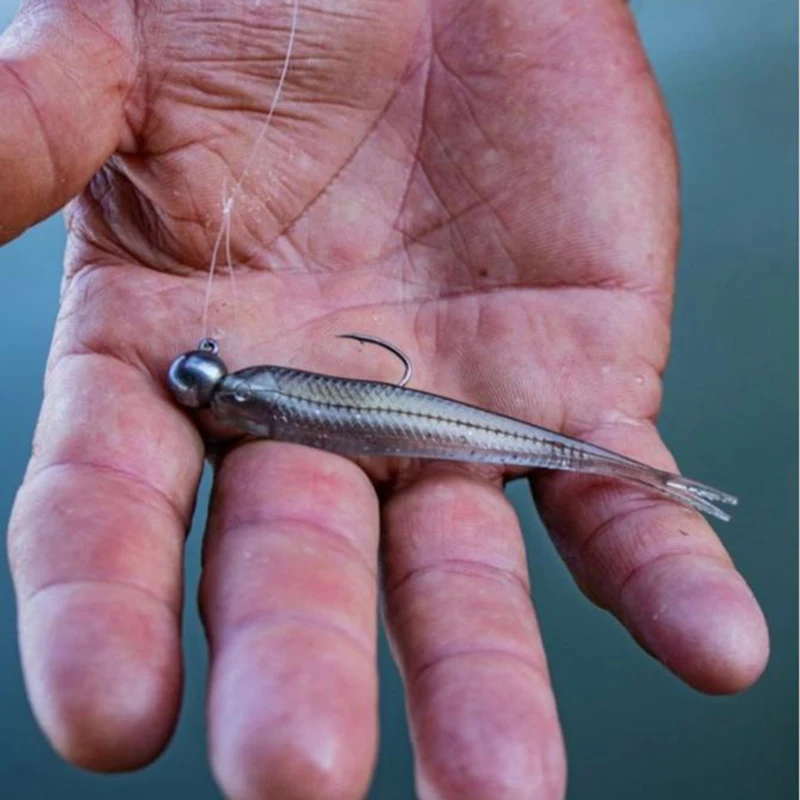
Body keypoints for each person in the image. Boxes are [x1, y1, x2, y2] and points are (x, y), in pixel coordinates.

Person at [1, 1, 769, 798]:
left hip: (423, 418)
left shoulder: (253, 396)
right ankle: (654, 482)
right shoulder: (255, 391)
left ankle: (654, 483)